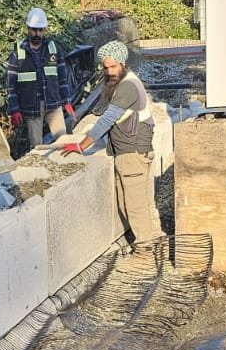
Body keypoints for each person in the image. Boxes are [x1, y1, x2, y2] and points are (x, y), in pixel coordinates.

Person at [60, 39, 161, 246]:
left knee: (134, 206)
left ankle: (145, 251)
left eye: (113, 67)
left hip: (132, 153)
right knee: (135, 203)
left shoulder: (128, 87)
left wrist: (82, 145)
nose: (109, 72)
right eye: (105, 68)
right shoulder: (124, 82)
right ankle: (152, 239)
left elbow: (107, 119)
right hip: (130, 151)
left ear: (123, 63)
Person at [6, 8, 76, 150]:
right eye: (34, 30)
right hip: (32, 109)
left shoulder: (54, 49)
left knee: (64, 142)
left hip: (53, 105)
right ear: (28, 29)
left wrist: (67, 101)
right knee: (37, 149)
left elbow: (63, 79)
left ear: (44, 30)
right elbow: (10, 85)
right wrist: (14, 109)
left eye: (40, 30)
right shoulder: (18, 53)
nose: (37, 34)